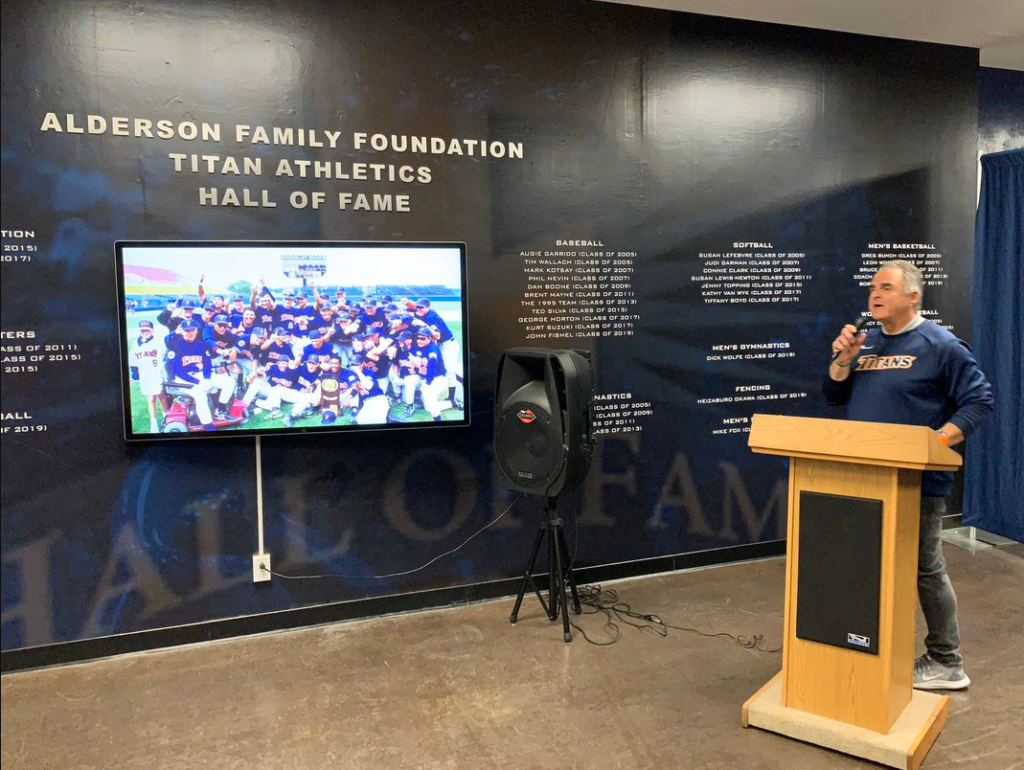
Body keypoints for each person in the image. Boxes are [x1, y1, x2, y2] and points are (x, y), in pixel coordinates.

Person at [825, 260, 993, 691]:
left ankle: (946, 660)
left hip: (916, 481)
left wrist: (933, 445)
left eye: (886, 287)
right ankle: (873, 646)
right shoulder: (868, 342)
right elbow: (834, 394)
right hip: (864, 477)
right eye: (872, 288)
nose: (874, 294)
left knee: (924, 568)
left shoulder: (941, 345)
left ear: (913, 296)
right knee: (869, 567)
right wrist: (843, 360)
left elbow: (978, 403)